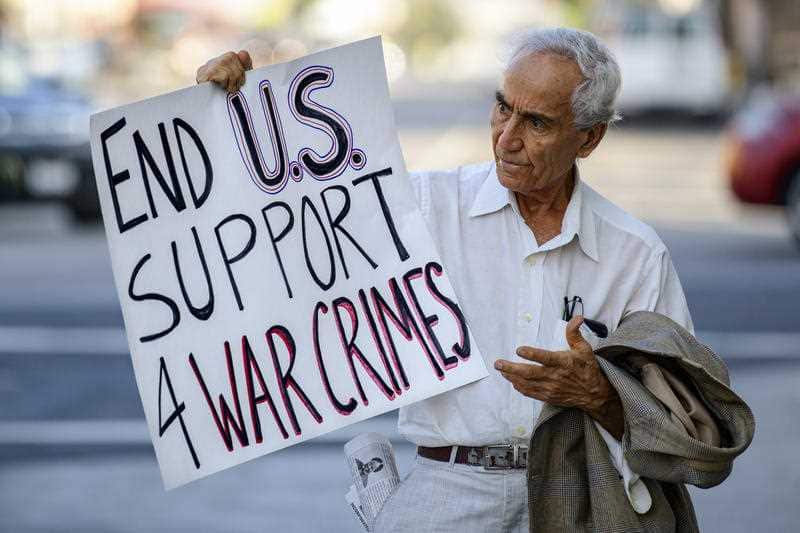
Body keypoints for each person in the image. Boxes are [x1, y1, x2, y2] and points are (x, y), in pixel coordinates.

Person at [197, 28, 694, 532]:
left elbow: (686, 429)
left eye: (537, 123)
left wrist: (601, 396)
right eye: (503, 108)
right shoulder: (425, 206)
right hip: (446, 490)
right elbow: (276, 236)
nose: (507, 137)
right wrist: (232, 117)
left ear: (589, 137)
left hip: (584, 493)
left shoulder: (635, 253)